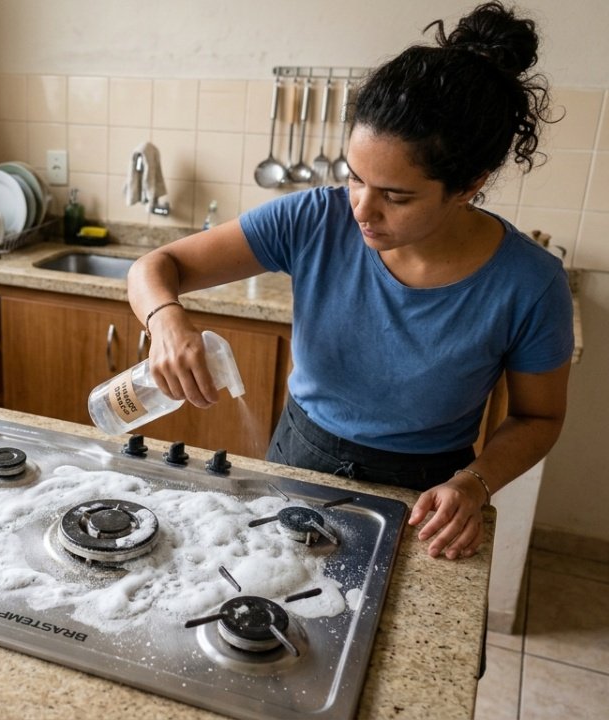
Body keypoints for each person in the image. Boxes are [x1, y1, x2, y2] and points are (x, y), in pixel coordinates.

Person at [126, 1, 573, 561]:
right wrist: (166, 321)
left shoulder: (529, 284)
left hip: (426, 492)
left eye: (395, 196)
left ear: (468, 186)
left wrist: (474, 484)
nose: (361, 209)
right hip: (299, 455)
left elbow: (538, 416)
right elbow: (154, 267)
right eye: (355, 177)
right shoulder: (314, 218)